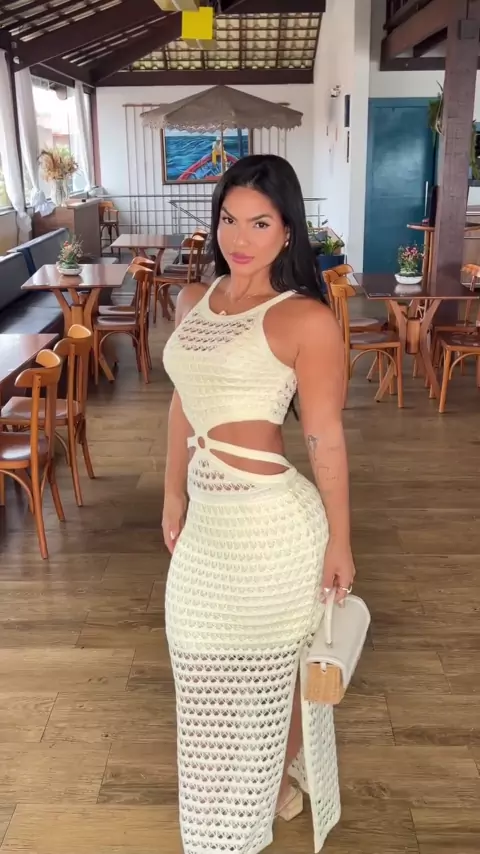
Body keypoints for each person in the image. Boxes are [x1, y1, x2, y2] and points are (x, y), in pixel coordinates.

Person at [162, 154, 355, 854]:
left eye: (260, 223)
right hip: (207, 528)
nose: (239, 238)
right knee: (201, 667)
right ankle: (235, 792)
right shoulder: (193, 299)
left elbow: (324, 437)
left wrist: (341, 541)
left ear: (288, 230)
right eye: (229, 219)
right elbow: (183, 400)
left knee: (278, 674)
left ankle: (272, 782)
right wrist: (172, 493)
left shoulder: (305, 319)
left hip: (274, 527)